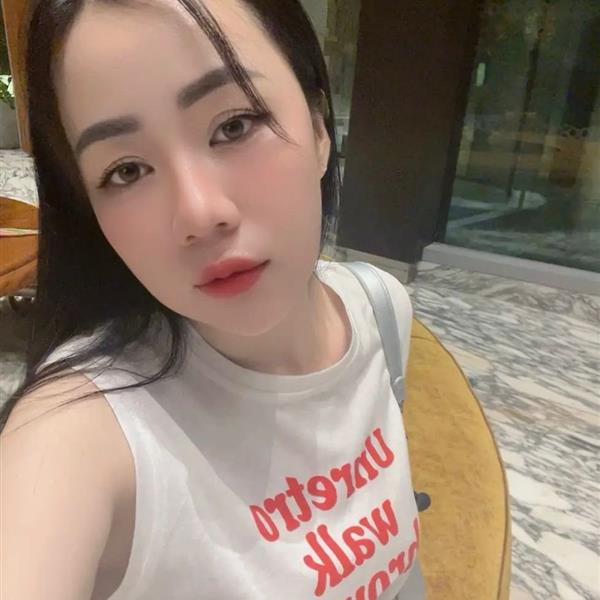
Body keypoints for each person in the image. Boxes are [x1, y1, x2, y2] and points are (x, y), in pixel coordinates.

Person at [0, 1, 421, 598]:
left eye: (234, 125)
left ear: (319, 128)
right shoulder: (79, 434)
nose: (200, 214)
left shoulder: (380, 309)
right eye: (126, 170)